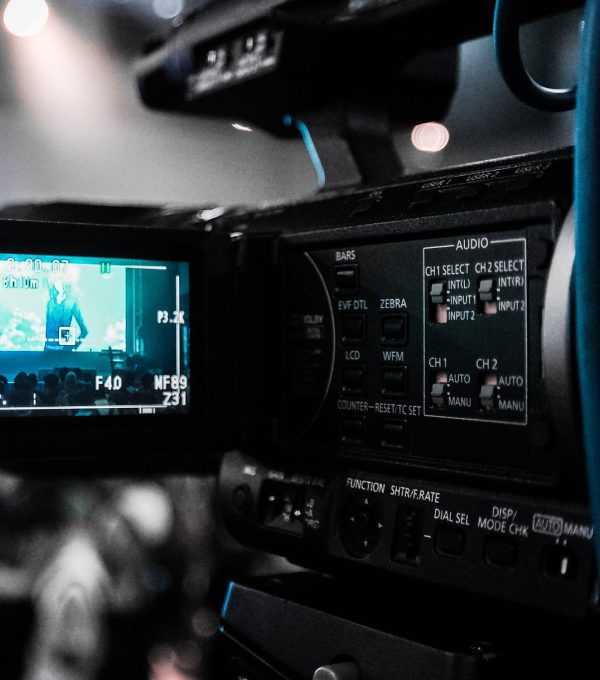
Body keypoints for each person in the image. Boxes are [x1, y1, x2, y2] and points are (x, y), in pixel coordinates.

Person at [44, 281, 88, 351]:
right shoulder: (50, 303)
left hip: (64, 352)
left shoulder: (71, 302)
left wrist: (72, 346)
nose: (53, 292)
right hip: (48, 350)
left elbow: (84, 331)